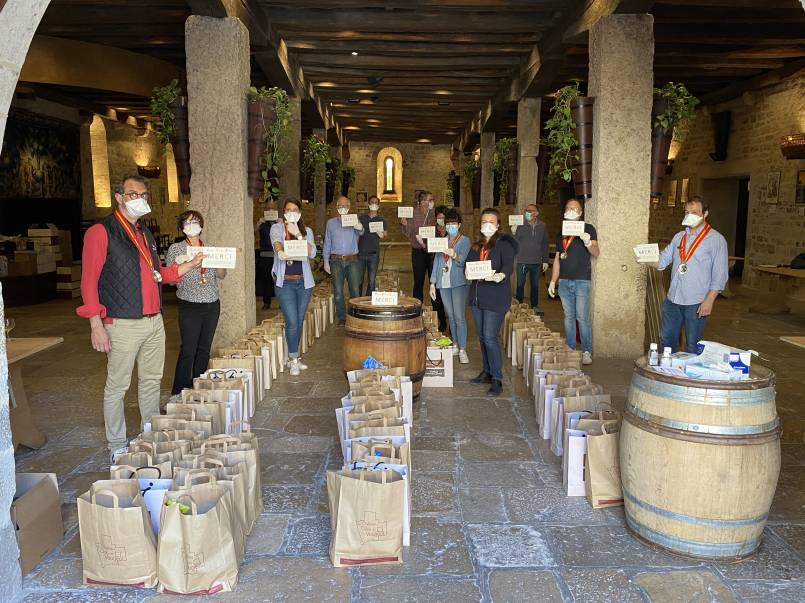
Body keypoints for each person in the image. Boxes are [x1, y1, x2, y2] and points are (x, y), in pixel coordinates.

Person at [77, 173, 203, 460]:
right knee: (118, 386)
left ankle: (149, 434)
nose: (140, 200)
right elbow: (88, 282)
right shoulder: (101, 232)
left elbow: (159, 272)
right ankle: (117, 444)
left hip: (153, 321)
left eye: (144, 196)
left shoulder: (145, 233)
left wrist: (193, 264)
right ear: (119, 197)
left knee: (150, 381)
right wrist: (95, 324)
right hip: (122, 322)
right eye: (134, 195)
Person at [654, 196, 728, 353]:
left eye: (694, 212)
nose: (690, 216)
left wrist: (709, 301)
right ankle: (667, 375)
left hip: (696, 301)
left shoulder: (716, 240)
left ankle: (690, 376)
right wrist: (644, 258)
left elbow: (720, 275)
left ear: (705, 214)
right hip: (673, 299)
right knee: (666, 340)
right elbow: (662, 260)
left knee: (693, 344)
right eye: (687, 212)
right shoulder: (679, 237)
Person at [165, 210, 226, 400]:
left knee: (204, 349)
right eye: (188, 222)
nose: (193, 225)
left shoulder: (209, 248)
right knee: (188, 349)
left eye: (196, 221)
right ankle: (178, 391)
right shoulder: (176, 249)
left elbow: (221, 275)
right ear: (182, 227)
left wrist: (221, 262)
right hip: (189, 305)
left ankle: (199, 386)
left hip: (211, 304)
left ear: (201, 225)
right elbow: (171, 280)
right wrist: (187, 263)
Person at [467, 208, 519, 397]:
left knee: (490, 337)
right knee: (481, 336)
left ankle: (497, 378)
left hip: (496, 297)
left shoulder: (504, 244)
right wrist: (467, 270)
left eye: (491, 222)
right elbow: (469, 264)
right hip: (478, 296)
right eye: (484, 222)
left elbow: (508, 264)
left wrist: (501, 275)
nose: (487, 225)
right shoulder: (477, 246)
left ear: (498, 225)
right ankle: (487, 371)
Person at [547, 199, 599, 365]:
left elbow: (596, 252)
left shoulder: (588, 228)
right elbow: (557, 259)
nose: (571, 211)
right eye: (569, 208)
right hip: (564, 281)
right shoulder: (561, 231)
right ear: (564, 211)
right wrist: (552, 281)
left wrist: (587, 241)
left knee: (582, 317)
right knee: (568, 317)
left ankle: (586, 351)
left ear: (580, 212)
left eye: (575, 208)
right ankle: (570, 348)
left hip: (582, 280)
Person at [271, 198, 318, 375]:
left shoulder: (308, 231)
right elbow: (276, 241)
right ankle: (293, 358)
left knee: (298, 321)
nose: (291, 212)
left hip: (304, 282)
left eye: (295, 209)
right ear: (284, 212)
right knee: (291, 321)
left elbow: (312, 253)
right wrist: (280, 251)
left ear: (299, 212)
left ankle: (294, 357)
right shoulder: (277, 228)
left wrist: (298, 234)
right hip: (286, 282)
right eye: (288, 209)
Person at [430, 208, 471, 364]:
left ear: (459, 225)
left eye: (453, 224)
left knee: (459, 316)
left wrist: (454, 255)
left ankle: (463, 348)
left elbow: (462, 261)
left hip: (458, 283)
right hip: (443, 283)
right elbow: (437, 262)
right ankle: (455, 343)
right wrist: (433, 283)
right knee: (451, 315)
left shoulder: (464, 240)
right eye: (448, 224)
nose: (450, 227)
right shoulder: (441, 240)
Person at [323, 195, 363, 325]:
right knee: (338, 292)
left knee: (355, 291)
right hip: (336, 261)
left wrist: (359, 227)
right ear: (336, 207)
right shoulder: (330, 223)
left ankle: (355, 316)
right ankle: (342, 317)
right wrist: (325, 260)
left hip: (352, 260)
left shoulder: (354, 220)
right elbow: (327, 242)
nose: (343, 208)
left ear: (349, 207)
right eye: (340, 206)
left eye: (345, 206)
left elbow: (361, 232)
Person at [400, 190, 436, 302]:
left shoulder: (434, 212)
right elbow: (408, 233)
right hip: (418, 252)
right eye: (430, 200)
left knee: (434, 282)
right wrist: (405, 225)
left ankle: (437, 311)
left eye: (432, 200)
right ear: (422, 201)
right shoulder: (413, 213)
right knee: (418, 282)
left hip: (433, 252)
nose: (432, 202)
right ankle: (417, 308)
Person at [514, 203, 550, 314]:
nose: (528, 212)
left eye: (531, 210)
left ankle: (535, 306)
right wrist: (513, 232)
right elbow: (513, 242)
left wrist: (545, 260)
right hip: (522, 260)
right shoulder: (519, 225)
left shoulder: (542, 226)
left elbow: (545, 244)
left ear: (537, 213)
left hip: (536, 262)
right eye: (526, 210)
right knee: (520, 284)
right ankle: (519, 306)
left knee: (535, 285)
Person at [358, 195, 387, 295]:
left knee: (371, 281)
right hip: (361, 253)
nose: (374, 204)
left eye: (376, 203)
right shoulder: (361, 218)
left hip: (373, 254)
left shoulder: (381, 219)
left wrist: (382, 233)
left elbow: (385, 235)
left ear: (378, 205)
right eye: (372, 202)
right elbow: (356, 233)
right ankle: (358, 301)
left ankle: (368, 302)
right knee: (359, 280)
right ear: (368, 204)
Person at [255, 199, 279, 309]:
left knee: (279, 279)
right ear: (265, 210)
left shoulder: (280, 223)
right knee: (266, 280)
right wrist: (259, 223)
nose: (270, 210)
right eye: (268, 208)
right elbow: (252, 232)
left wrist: (282, 224)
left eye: (272, 208)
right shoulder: (262, 222)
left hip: (278, 255)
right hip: (265, 254)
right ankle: (266, 303)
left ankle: (281, 303)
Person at [431, 204, 449, 332]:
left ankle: (451, 323)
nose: (441, 219)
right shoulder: (433, 231)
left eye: (443, 217)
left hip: (449, 267)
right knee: (436, 298)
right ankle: (441, 322)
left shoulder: (451, 231)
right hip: (436, 266)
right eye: (439, 217)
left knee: (448, 297)